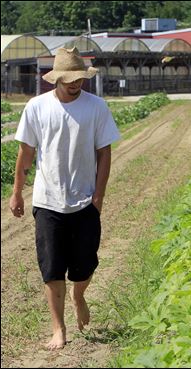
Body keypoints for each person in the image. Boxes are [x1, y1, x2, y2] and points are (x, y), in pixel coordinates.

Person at [9, 47, 120, 350]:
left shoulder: (96, 107)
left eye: (79, 79)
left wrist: (98, 195)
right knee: (52, 266)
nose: (75, 84)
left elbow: (104, 152)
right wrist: (17, 191)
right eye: (69, 79)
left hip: (85, 200)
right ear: (56, 78)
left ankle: (79, 295)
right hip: (47, 200)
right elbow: (26, 153)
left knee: (85, 264)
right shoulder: (37, 107)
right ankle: (59, 328)